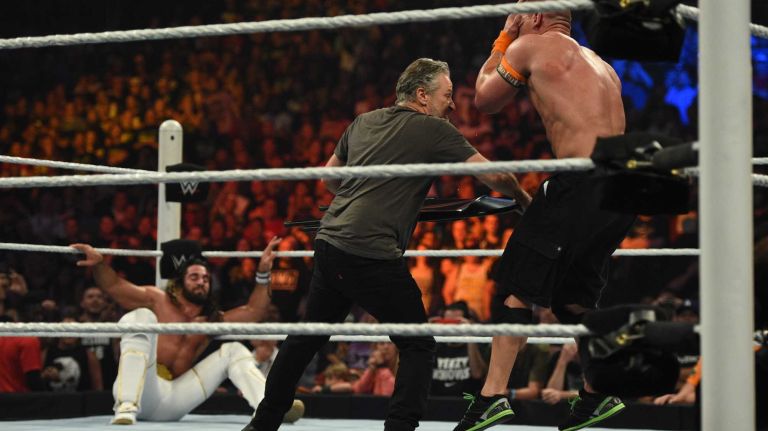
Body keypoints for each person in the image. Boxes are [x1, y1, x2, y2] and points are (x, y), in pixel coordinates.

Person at [244, 57, 530, 431]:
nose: (453, 104)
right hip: (371, 252)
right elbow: (494, 175)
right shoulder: (433, 129)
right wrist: (524, 201)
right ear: (423, 95)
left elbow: (330, 178)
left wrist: (372, 194)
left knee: (306, 336)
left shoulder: (364, 121)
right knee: (418, 343)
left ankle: (262, 424)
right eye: (447, 94)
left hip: (331, 243)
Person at [454, 2, 635, 430]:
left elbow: (484, 99)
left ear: (534, 17)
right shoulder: (602, 64)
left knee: (516, 285)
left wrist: (504, 36)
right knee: (573, 298)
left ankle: (491, 396)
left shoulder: (529, 47)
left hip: (581, 181)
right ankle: (595, 395)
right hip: (625, 188)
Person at [70, 238, 303, 425]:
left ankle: (270, 408)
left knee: (233, 350)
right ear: (180, 282)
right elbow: (114, 286)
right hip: (141, 389)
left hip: (173, 401)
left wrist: (263, 273)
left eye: (205, 278)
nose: (201, 282)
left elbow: (253, 312)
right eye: (194, 277)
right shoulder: (157, 300)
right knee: (140, 317)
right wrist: (100, 264)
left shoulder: (210, 322)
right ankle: (126, 406)